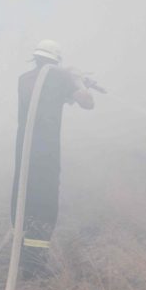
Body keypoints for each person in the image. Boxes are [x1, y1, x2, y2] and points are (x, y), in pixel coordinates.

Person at [11, 39, 95, 277]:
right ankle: (34, 266)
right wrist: (76, 79)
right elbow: (88, 103)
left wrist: (68, 84)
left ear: (36, 58)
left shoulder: (25, 79)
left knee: (22, 201)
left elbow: (49, 98)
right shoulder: (60, 79)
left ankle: (22, 257)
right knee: (44, 205)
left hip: (24, 153)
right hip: (46, 154)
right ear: (56, 61)